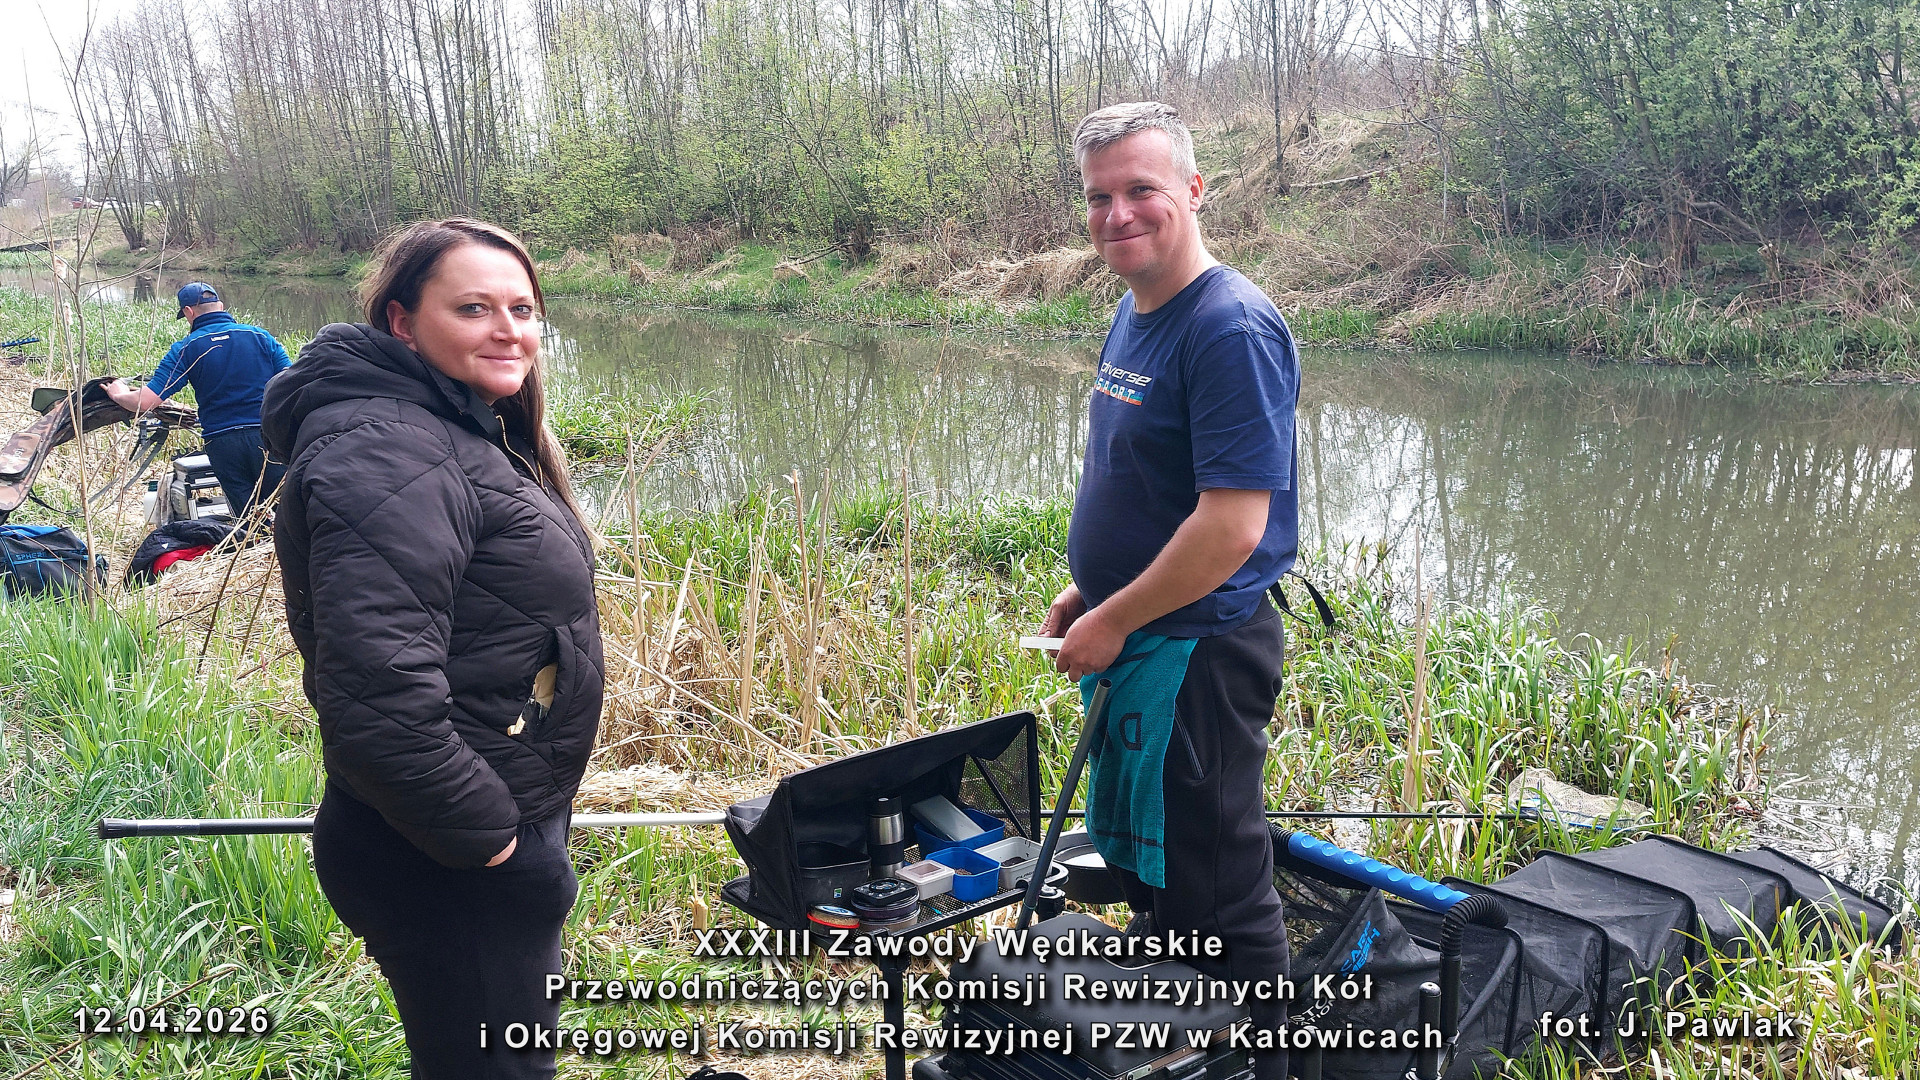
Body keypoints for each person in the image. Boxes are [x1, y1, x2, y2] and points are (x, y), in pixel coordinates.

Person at [262, 220, 603, 1080]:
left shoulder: (449, 426)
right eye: (474, 308)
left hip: (465, 831)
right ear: (402, 322)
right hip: (447, 854)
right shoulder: (391, 448)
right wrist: (500, 851)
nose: (509, 330)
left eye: (522, 309)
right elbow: (380, 708)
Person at [1038, 102, 1299, 1079]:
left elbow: (1231, 528)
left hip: (1200, 659)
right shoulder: (1138, 305)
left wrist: (1116, 614)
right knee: (1159, 878)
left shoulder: (1229, 328)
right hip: (1145, 634)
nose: (1117, 215)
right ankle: (1184, 1054)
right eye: (1098, 196)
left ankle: (1267, 1065)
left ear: (1193, 189)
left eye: (1140, 189)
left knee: (1220, 892)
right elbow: (1150, 484)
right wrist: (1089, 586)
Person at [107, 282, 291, 518]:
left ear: (188, 312)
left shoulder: (187, 348)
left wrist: (118, 393)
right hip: (269, 436)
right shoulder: (261, 337)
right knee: (285, 513)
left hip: (223, 442)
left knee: (246, 517)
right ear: (221, 306)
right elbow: (292, 383)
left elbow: (145, 401)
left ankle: (249, 539)